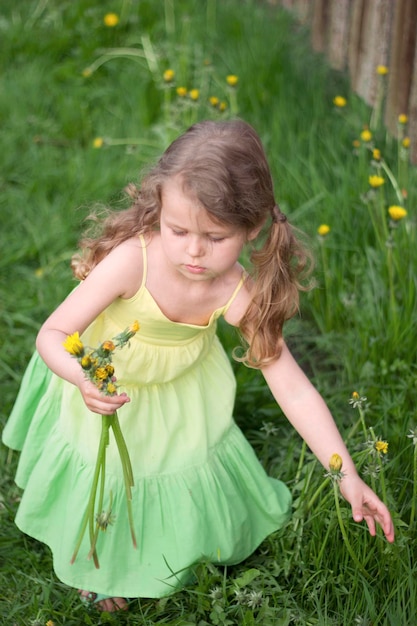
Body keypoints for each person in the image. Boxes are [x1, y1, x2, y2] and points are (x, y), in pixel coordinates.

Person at [3, 119, 394, 613]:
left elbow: (292, 387)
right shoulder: (132, 262)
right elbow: (52, 335)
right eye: (178, 230)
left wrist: (347, 475)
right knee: (107, 471)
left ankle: (160, 547)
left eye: (215, 237)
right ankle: (100, 564)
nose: (192, 250)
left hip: (178, 393)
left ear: (251, 230)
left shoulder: (235, 291)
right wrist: (81, 376)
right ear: (159, 209)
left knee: (165, 467)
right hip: (101, 378)